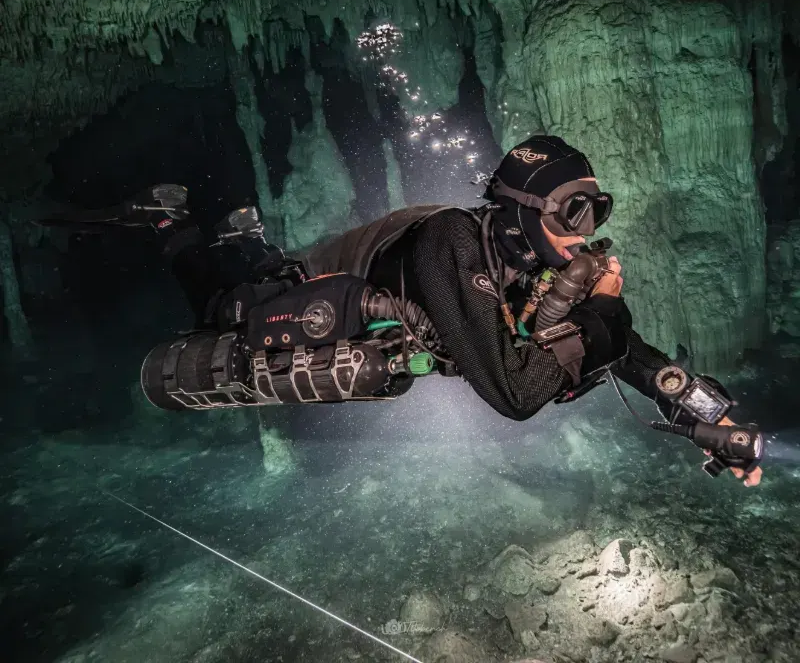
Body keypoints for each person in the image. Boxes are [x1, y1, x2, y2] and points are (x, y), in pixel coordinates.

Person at [42, 136, 761, 485]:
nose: (587, 228)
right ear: (520, 212)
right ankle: (174, 229)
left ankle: (246, 240)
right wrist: (601, 311)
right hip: (319, 289)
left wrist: (704, 413)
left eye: (596, 209)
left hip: (371, 300)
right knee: (221, 312)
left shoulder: (535, 264)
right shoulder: (453, 242)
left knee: (254, 276)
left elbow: (620, 348)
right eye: (574, 210)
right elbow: (515, 393)